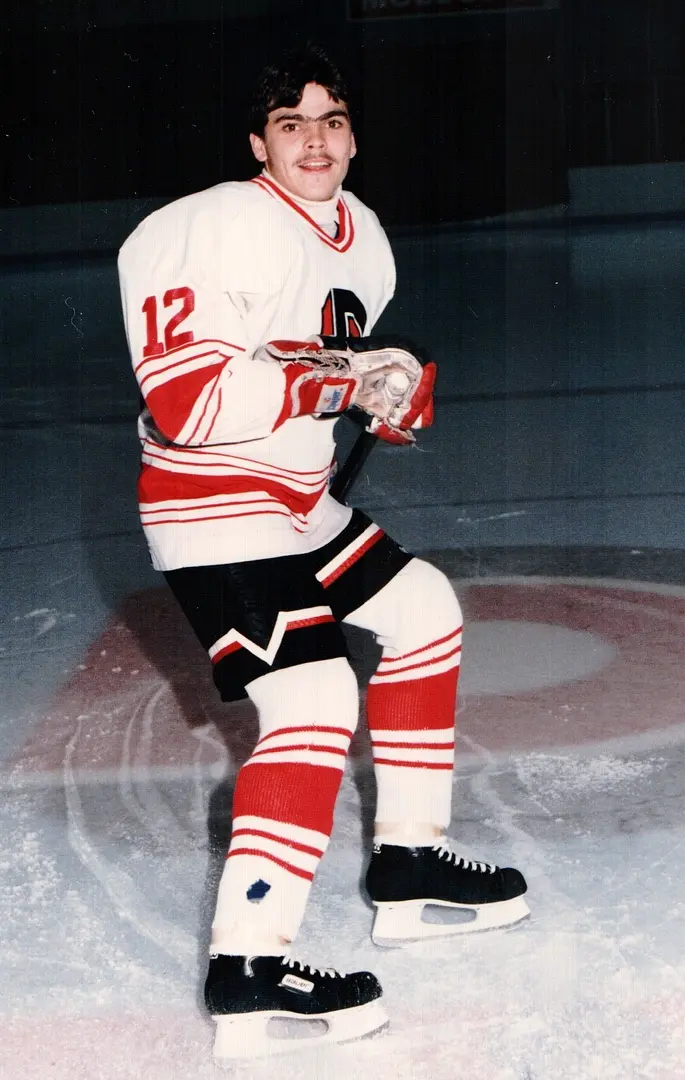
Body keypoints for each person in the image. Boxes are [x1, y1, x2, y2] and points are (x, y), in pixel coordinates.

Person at [117, 44, 528, 1063]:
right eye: (288, 122)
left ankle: (409, 865)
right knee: (310, 703)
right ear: (257, 142)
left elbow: (315, 371)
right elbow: (190, 402)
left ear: (353, 133)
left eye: (331, 118)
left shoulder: (366, 238)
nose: (314, 139)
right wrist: (348, 381)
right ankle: (250, 968)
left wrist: (381, 400)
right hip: (213, 507)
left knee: (424, 611)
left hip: (295, 503)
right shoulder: (203, 228)